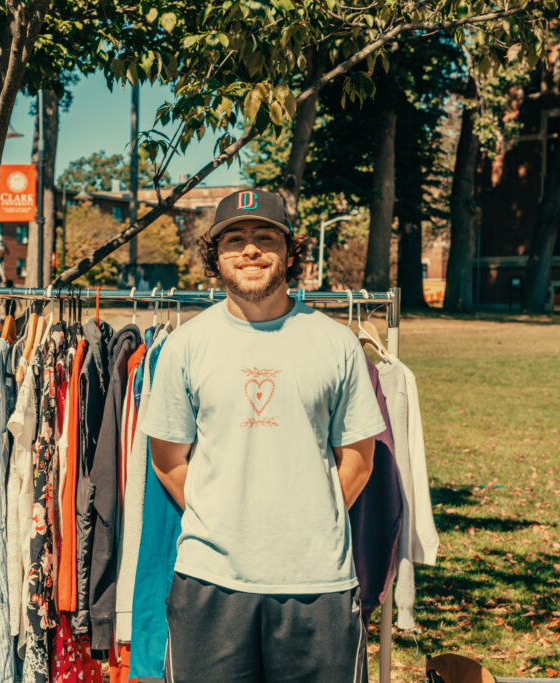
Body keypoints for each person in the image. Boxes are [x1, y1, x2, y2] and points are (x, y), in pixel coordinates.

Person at [143, 189, 386, 682]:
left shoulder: (336, 343)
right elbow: (167, 458)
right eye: (234, 239)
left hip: (318, 581)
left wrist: (307, 519)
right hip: (210, 581)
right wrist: (227, 518)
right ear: (215, 256)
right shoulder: (186, 346)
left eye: (264, 237)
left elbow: (359, 459)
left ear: (289, 250)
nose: (249, 249)